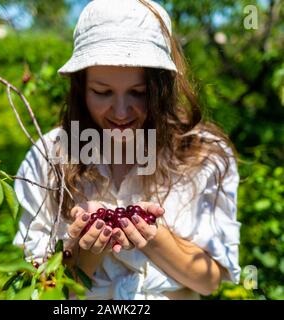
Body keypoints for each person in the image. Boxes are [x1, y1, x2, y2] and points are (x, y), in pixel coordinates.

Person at [13, 0, 241, 300]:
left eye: (139, 93)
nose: (121, 112)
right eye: (102, 92)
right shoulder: (49, 157)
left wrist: (153, 237)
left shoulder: (203, 154)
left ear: (162, 88)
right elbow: (40, 290)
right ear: (81, 87)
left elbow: (208, 282)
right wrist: (84, 250)